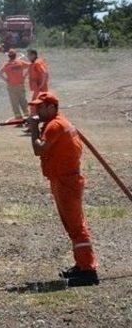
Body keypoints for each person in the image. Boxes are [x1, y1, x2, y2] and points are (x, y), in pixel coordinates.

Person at [27, 92, 99, 286]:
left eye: (41, 107)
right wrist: (37, 127)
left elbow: (39, 149)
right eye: (36, 107)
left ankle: (88, 271)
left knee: (77, 227)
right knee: (71, 226)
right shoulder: (57, 124)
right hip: (63, 180)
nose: (37, 110)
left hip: (67, 181)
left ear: (52, 107)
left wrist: (34, 128)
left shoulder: (55, 125)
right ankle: (81, 264)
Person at [0, 49, 29, 123]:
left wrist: (6, 80)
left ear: (9, 56)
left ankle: (18, 120)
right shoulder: (20, 62)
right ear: (15, 55)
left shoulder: (7, 64)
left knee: (14, 103)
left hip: (11, 86)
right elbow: (30, 66)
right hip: (20, 85)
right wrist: (24, 76)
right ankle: (28, 119)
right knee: (23, 101)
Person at [26, 49, 49, 116]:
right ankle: (40, 114)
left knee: (34, 102)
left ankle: (33, 116)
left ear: (33, 55)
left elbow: (44, 73)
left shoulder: (37, 63)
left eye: (29, 55)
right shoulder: (37, 61)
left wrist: (41, 85)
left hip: (38, 87)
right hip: (40, 87)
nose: (28, 57)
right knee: (42, 100)